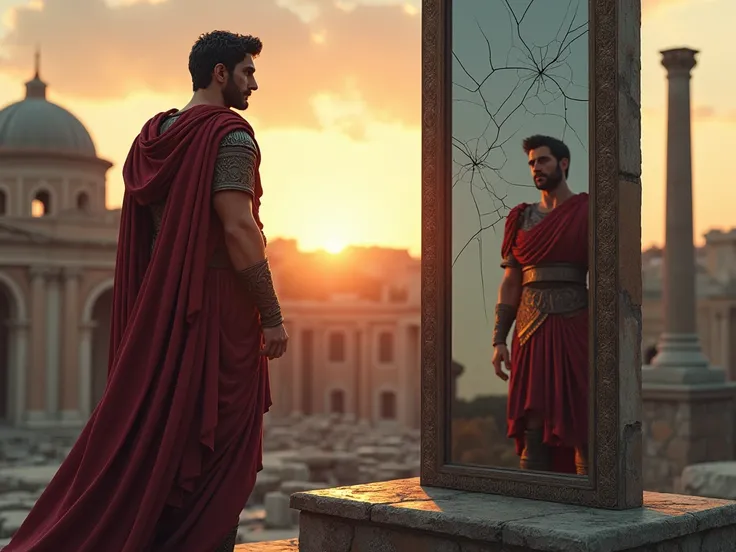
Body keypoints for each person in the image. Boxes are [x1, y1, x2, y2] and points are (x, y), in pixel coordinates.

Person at [4, 31, 288, 552]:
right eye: (247, 71)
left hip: (162, 312)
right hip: (219, 309)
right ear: (219, 73)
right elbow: (238, 227)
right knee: (220, 442)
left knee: (165, 435)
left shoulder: (153, 138)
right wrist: (271, 312)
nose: (254, 83)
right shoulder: (231, 137)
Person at [491, 135, 588, 476]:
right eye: (532, 162)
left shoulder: (587, 211)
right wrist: (498, 339)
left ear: (563, 164)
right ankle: (533, 506)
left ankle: (591, 504)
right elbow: (511, 281)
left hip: (576, 325)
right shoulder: (520, 218)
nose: (536, 168)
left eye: (543, 160)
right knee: (533, 420)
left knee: (580, 414)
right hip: (529, 329)